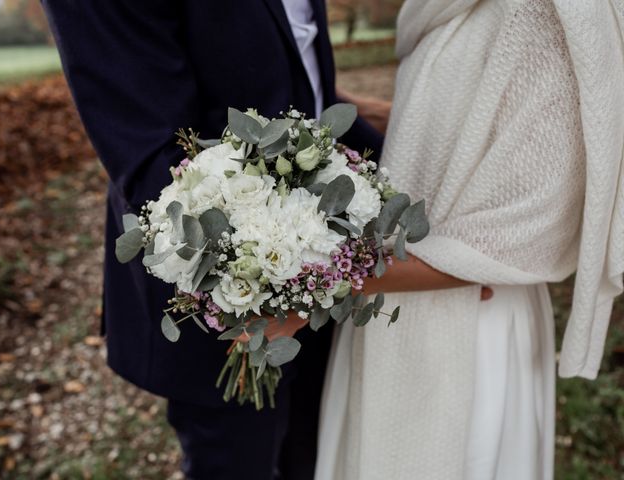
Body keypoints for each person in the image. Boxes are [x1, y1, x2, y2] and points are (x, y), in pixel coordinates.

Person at [40, 1, 382, 479]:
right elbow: (153, 151)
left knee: (312, 455)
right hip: (218, 295)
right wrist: (280, 277)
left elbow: (299, 88)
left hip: (322, 275)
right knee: (237, 458)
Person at [315, 1, 624, 479]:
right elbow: (473, 116)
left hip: (468, 332)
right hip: (382, 311)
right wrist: (368, 115)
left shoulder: (550, 16)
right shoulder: (447, 6)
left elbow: (519, 233)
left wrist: (314, 278)